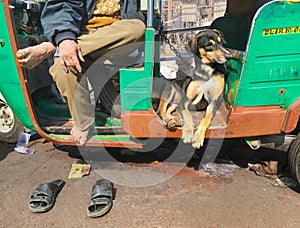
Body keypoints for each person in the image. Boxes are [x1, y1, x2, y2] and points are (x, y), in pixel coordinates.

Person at [17, 0, 146, 145]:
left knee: (137, 27)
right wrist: (65, 38)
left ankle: (53, 48)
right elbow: (62, 7)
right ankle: (83, 123)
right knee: (62, 69)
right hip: (81, 35)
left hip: (115, 39)